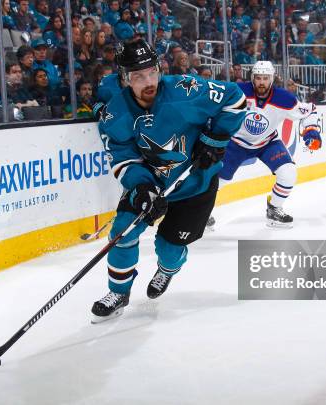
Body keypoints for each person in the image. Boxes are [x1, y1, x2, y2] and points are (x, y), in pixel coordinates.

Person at [91, 39, 245, 322]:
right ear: (124, 79)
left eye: (151, 72)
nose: (148, 81)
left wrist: (215, 139)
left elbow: (235, 98)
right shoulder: (115, 115)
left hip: (196, 185)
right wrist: (142, 188)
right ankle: (118, 292)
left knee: (169, 249)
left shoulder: (187, 90)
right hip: (152, 184)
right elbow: (123, 159)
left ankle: (166, 270)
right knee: (122, 233)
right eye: (138, 76)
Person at [214, 61, 321, 228]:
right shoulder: (238, 91)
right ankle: (202, 213)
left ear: (271, 79)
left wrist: (311, 131)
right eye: (258, 78)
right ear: (252, 78)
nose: (261, 82)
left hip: (267, 143)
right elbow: (214, 105)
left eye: (265, 78)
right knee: (217, 180)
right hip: (235, 143)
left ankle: (274, 209)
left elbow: (310, 110)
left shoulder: (284, 98)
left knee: (288, 172)